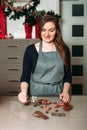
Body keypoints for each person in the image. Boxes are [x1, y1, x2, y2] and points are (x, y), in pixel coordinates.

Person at [18, 14, 72, 104]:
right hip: (35, 96)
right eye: (43, 30)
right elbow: (25, 76)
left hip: (58, 96)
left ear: (57, 31)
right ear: (39, 31)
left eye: (51, 30)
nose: (47, 34)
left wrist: (65, 92)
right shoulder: (31, 50)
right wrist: (23, 92)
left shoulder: (64, 50)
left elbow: (68, 76)